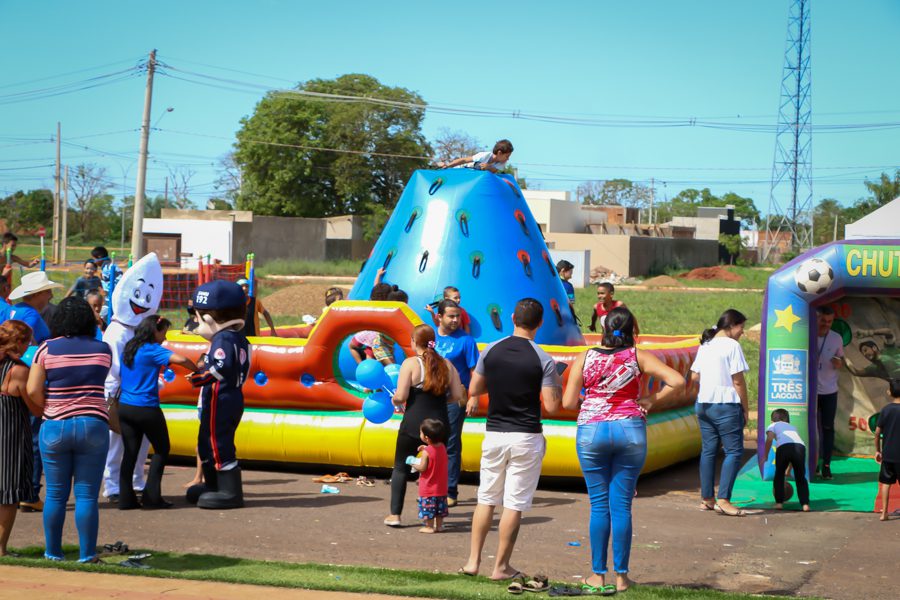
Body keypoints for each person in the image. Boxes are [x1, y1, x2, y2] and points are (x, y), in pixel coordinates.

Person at [562, 306, 684, 594]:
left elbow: (567, 403)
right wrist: (652, 400)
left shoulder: (585, 357)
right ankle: (622, 577)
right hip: (630, 430)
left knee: (599, 505)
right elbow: (678, 381)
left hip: (592, 432)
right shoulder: (638, 356)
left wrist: (591, 403)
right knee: (622, 507)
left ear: (603, 328)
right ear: (633, 330)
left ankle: (597, 575)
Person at [460, 298, 562, 580]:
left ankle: (472, 561)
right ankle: (501, 567)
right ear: (540, 323)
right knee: (514, 503)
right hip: (526, 434)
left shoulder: (491, 349)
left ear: (513, 318)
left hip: (494, 431)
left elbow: (475, 389)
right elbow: (553, 407)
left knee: (486, 499)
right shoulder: (543, 359)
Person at [25, 296, 112, 563]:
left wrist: (43, 411)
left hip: (55, 426)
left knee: (55, 494)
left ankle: (53, 552)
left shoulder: (45, 349)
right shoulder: (103, 349)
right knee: (86, 495)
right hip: (93, 425)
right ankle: (87, 554)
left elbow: (31, 389)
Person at [384, 324, 463, 528]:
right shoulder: (446, 364)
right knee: (437, 470)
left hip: (413, 423)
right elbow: (456, 396)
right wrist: (438, 402)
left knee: (401, 466)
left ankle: (395, 515)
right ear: (432, 341)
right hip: (439, 425)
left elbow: (401, 396)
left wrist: (394, 400)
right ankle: (437, 517)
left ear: (413, 341)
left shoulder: (410, 364)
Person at [118, 315, 199, 510]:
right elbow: (182, 359)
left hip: (125, 407)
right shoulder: (152, 350)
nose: (165, 337)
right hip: (146, 407)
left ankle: (126, 498)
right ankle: (152, 497)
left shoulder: (130, 347)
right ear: (155, 331)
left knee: (130, 453)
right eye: (164, 332)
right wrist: (197, 370)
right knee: (162, 449)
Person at [185, 280, 251, 509]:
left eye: (198, 316)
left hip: (222, 397)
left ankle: (229, 491)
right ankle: (212, 485)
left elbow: (221, 369)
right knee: (206, 442)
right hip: (227, 396)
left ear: (210, 318)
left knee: (217, 442)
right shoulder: (237, 337)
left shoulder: (223, 339)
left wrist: (197, 378)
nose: (195, 320)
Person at [7, 271, 62, 513]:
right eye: (48, 291)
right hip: (28, 377)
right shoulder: (31, 316)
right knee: (34, 437)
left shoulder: (11, 310)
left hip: (8, 376)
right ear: (38, 294)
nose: (50, 295)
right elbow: (37, 344)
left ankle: (16, 489)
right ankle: (29, 491)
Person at [691, 309, 749, 517]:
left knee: (708, 451)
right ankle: (724, 499)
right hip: (725, 404)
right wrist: (745, 408)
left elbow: (695, 376)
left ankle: (707, 498)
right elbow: (738, 381)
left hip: (704, 404)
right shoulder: (732, 346)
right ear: (732, 325)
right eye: (741, 327)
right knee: (733, 451)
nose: (742, 332)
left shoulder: (706, 345)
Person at [433, 299, 479, 507]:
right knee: (431, 441)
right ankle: (432, 487)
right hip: (431, 396)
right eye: (450, 316)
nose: (455, 320)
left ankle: (450, 491)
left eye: (457, 316)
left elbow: (476, 371)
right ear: (439, 317)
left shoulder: (466, 341)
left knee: (451, 442)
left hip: (455, 397)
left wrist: (474, 396)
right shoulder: (431, 338)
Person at [0, 320, 38, 556]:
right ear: (19, 342)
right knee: (7, 494)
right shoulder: (18, 370)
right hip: (9, 436)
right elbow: (35, 408)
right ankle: (1, 548)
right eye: (27, 342)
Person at [814, 306, 843, 480]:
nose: (826, 324)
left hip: (829, 391)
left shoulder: (836, 338)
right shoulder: (807, 335)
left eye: (829, 321)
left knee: (827, 428)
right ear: (816, 319)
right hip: (809, 392)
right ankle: (812, 463)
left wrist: (839, 362)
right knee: (810, 428)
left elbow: (841, 359)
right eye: (823, 320)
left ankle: (826, 465)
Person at [763, 409, 810, 511]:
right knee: (800, 477)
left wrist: (765, 455)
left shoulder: (773, 425)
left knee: (779, 475)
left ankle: (779, 503)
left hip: (783, 448)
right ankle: (805, 504)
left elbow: (769, 439)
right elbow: (793, 450)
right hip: (800, 447)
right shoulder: (793, 427)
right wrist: (788, 471)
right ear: (787, 421)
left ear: (772, 421)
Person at [412, 418, 449, 534]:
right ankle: (439, 526)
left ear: (426, 438)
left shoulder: (426, 452)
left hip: (428, 487)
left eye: (421, 432)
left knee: (428, 508)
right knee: (439, 508)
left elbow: (423, 467)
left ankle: (429, 526)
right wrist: (425, 448)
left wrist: (413, 463)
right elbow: (435, 453)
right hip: (441, 487)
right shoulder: (442, 447)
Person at [875, 379, 900, 521]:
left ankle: (884, 512)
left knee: (886, 483)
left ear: (890, 392)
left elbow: (877, 433)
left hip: (888, 454)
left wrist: (878, 451)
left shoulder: (886, 409)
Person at [438, 139, 514, 174]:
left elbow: (493, 171)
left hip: (474, 174)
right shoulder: (484, 156)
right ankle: (443, 166)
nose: (508, 159)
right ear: (499, 153)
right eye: (507, 156)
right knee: (477, 165)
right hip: (464, 168)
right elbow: (464, 160)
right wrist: (449, 165)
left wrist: (488, 167)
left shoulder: (501, 163)